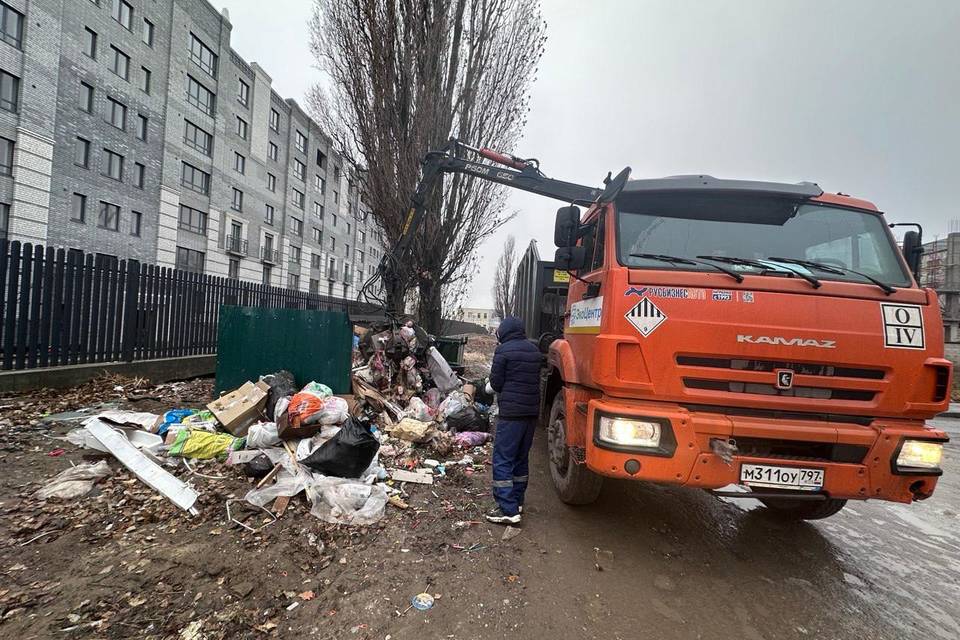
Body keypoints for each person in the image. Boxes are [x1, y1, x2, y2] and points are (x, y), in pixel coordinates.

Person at [485, 316, 542, 525]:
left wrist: (488, 386)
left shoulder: (503, 351)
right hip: (531, 414)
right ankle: (517, 502)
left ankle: (507, 509)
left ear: (504, 332)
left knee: (503, 459)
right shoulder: (534, 351)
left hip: (511, 414)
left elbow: (496, 383)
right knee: (520, 458)